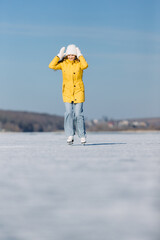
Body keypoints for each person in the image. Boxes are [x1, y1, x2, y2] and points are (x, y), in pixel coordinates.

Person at [48, 44, 88, 144]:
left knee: (78, 114)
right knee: (69, 113)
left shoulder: (79, 63)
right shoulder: (63, 64)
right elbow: (51, 65)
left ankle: (82, 135)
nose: (71, 57)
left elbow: (85, 65)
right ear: (66, 55)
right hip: (67, 92)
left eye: (73, 55)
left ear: (75, 55)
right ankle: (70, 135)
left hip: (78, 91)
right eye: (69, 55)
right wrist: (58, 56)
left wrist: (80, 55)